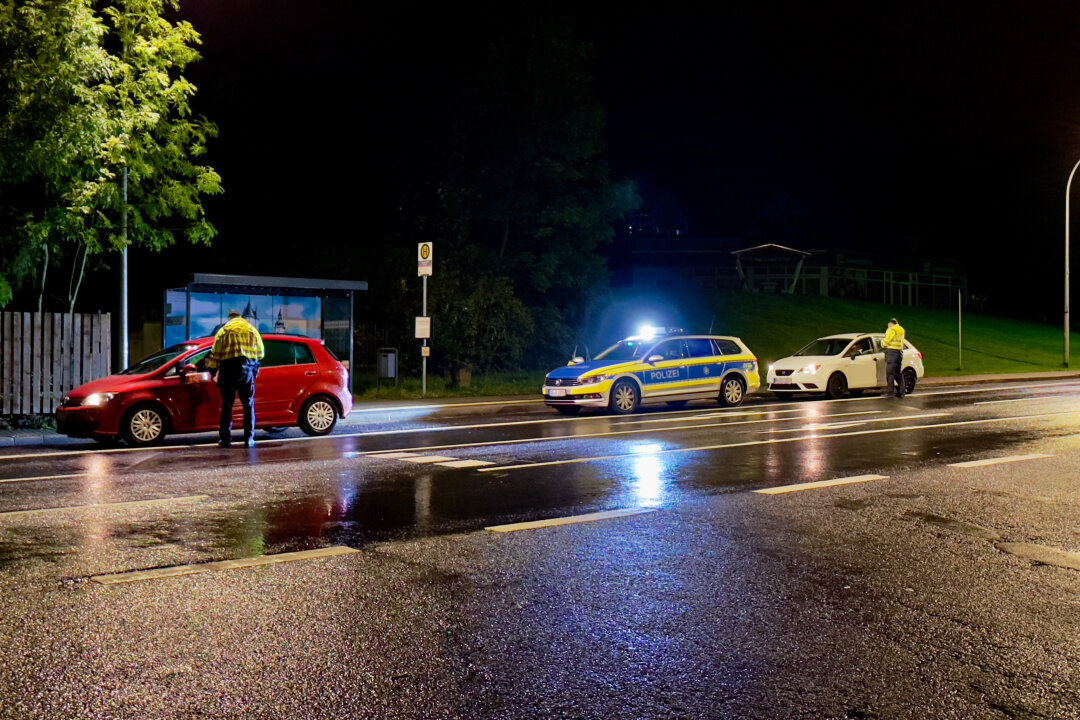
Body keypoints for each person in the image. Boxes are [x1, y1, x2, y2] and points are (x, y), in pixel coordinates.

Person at [206, 310, 265, 447]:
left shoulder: (224, 331)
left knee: (227, 406)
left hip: (228, 371)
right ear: (241, 317)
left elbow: (215, 354)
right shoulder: (252, 330)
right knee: (248, 404)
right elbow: (261, 353)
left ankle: (226, 439)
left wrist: (213, 371)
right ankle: (249, 439)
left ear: (230, 318)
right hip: (247, 370)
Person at [883, 317, 906, 398]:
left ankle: (890, 393)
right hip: (899, 353)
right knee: (898, 373)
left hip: (892, 353)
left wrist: (882, 344)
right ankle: (902, 392)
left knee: (890, 374)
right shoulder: (901, 330)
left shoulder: (891, 329)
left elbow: (887, 341)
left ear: (891, 324)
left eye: (888, 325)